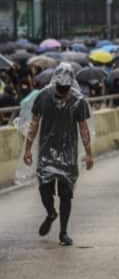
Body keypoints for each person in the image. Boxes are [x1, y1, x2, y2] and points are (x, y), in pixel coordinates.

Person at [22, 63, 93, 246]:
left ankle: (63, 232)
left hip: (68, 153)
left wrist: (89, 153)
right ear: (55, 83)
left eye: (66, 88)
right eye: (60, 88)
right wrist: (28, 148)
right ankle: (51, 212)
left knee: (66, 193)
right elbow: (34, 124)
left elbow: (84, 128)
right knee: (44, 187)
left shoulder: (78, 100)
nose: (63, 91)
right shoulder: (43, 96)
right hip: (46, 151)